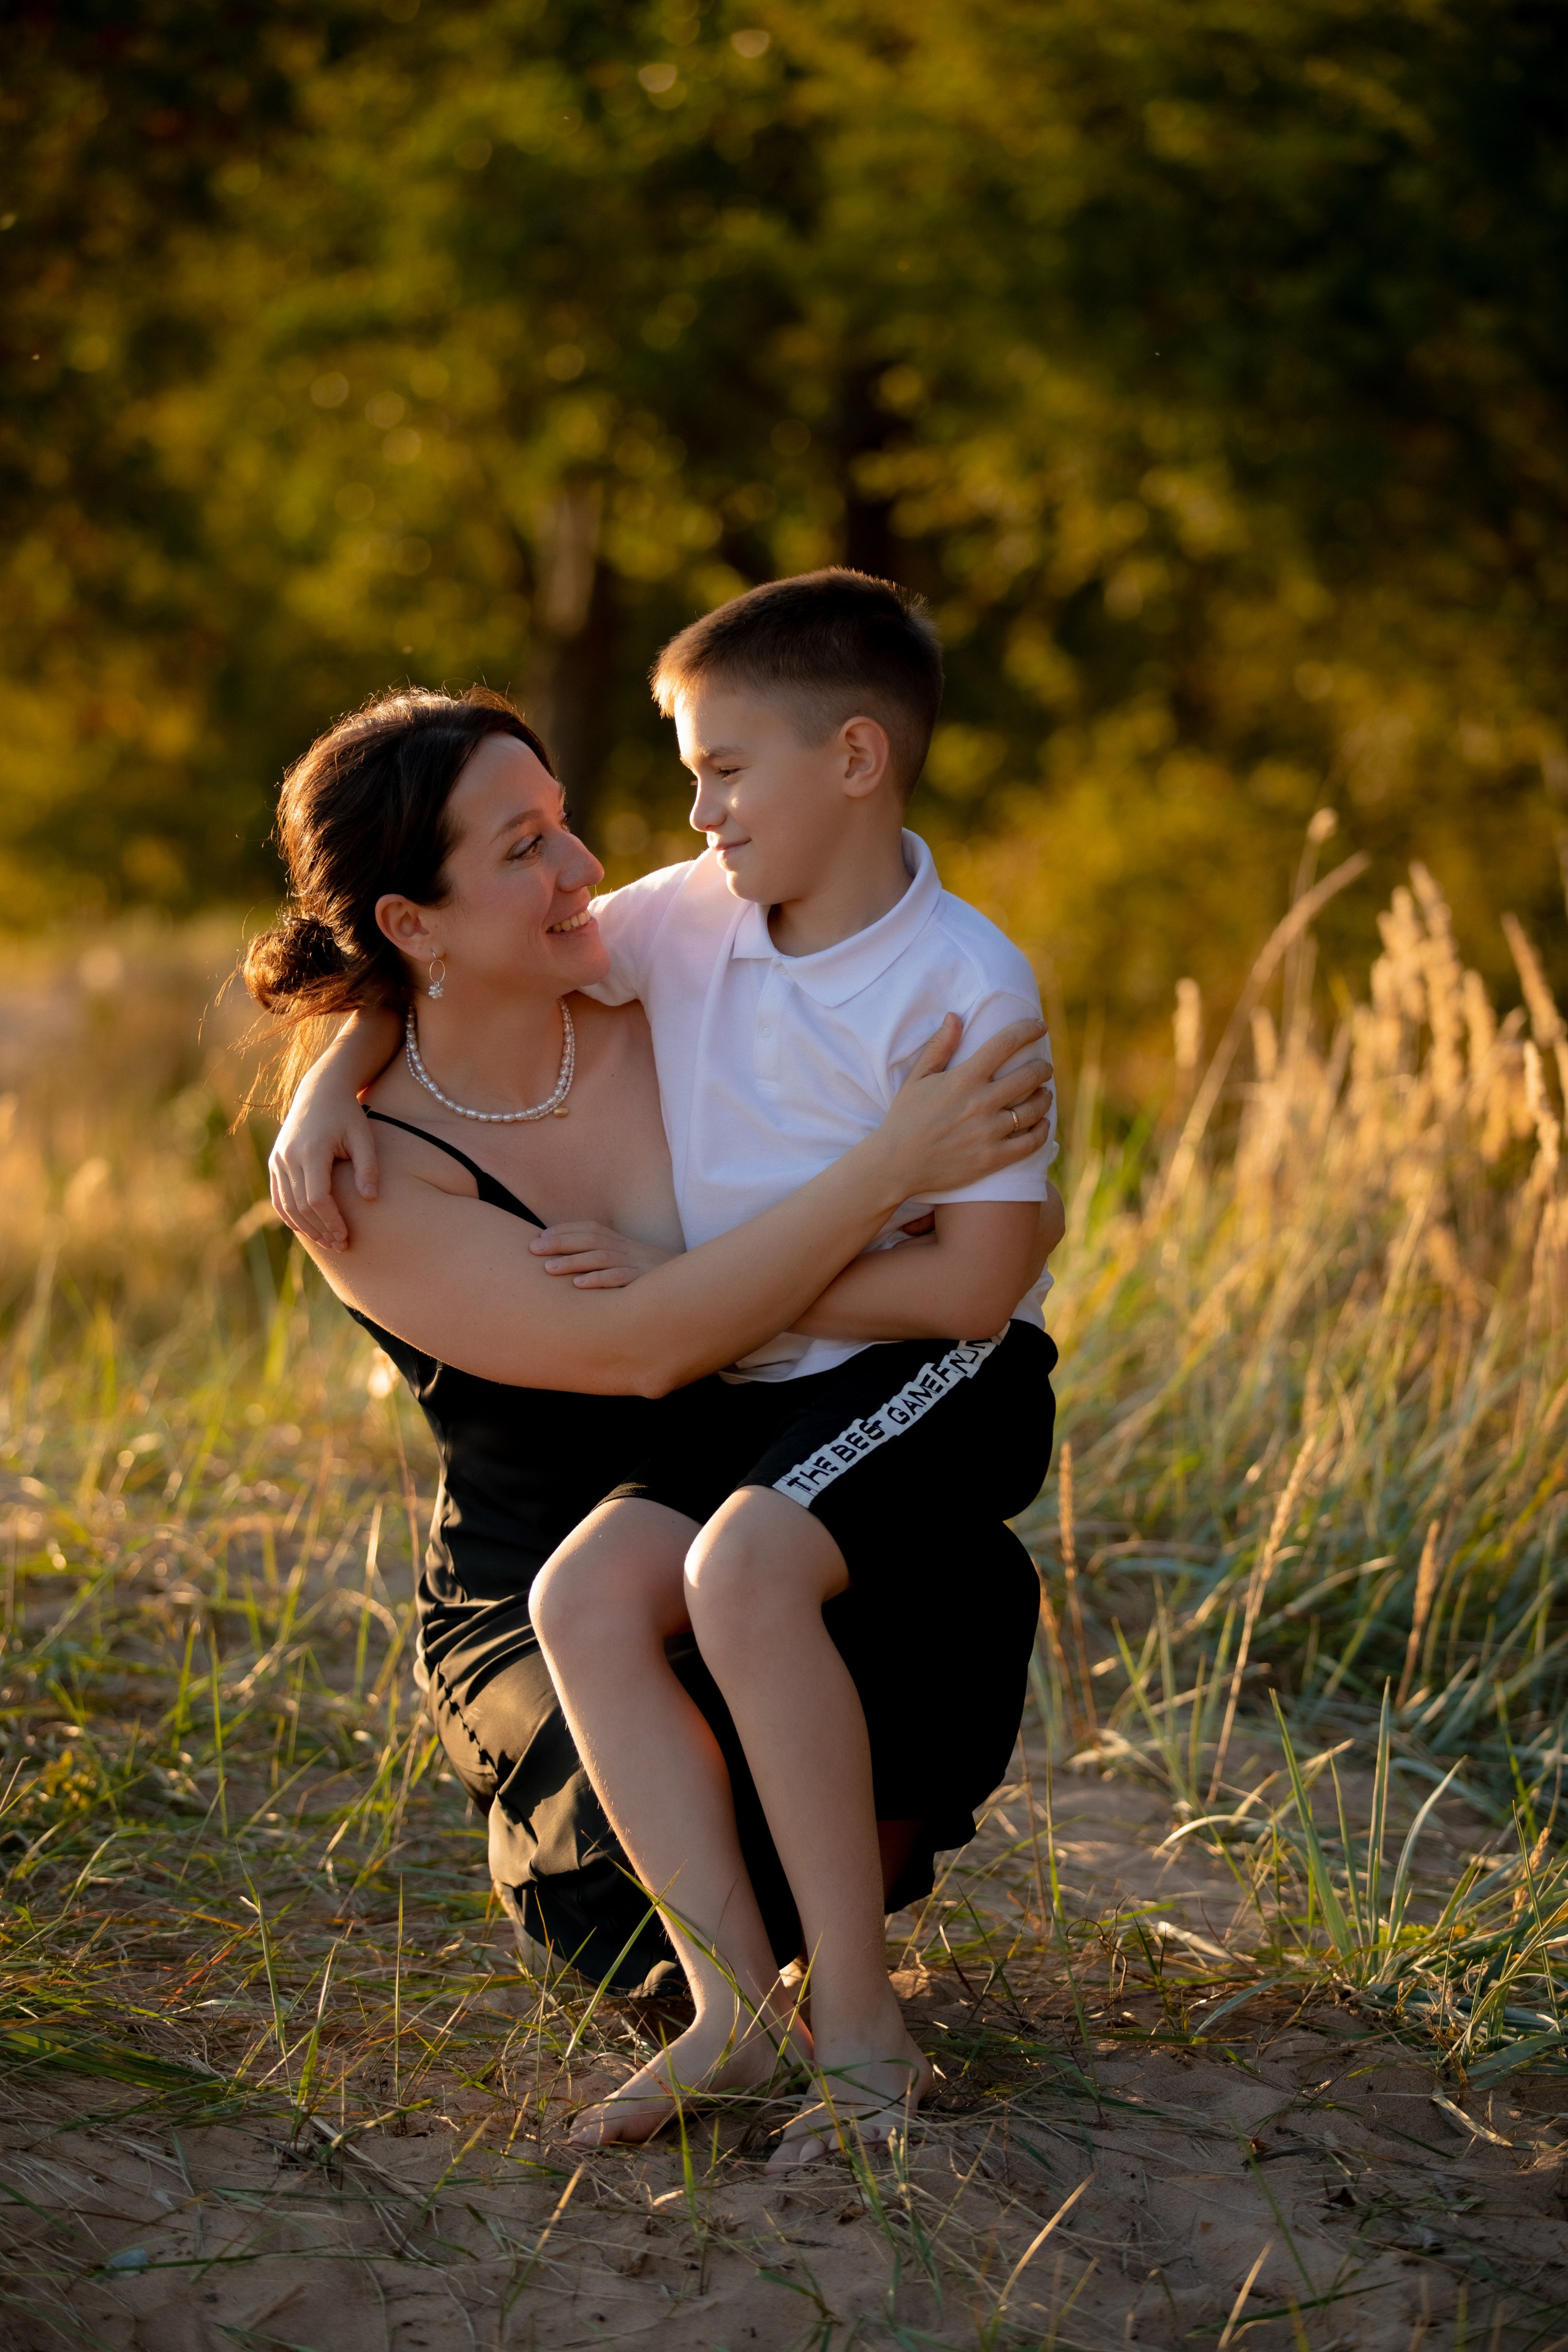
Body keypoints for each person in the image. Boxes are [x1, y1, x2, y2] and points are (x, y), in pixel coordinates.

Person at [269, 571, 1061, 2167]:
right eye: (526, 846)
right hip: (724, 1418)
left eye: (708, 779)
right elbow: (401, 976)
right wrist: (329, 1077)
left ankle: (862, 2031)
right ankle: (734, 2016)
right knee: (581, 1598)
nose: (605, 858)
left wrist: (749, 1267)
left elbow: (981, 1289)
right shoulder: (695, 929)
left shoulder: (941, 979)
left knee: (750, 1571)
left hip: (892, 1379)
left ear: (848, 758)